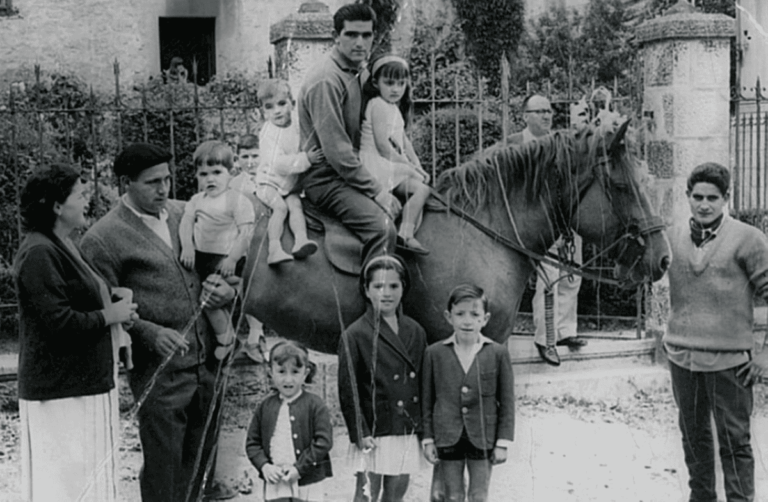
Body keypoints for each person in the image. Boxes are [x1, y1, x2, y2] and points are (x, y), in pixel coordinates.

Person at [80, 143, 239, 502]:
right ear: (125, 183)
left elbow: (226, 267)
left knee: (203, 466)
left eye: (167, 179)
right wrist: (151, 333)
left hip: (207, 362)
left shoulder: (187, 213)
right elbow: (102, 309)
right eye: (152, 182)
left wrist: (227, 292)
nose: (164, 189)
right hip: (159, 373)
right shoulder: (102, 239)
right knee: (165, 469)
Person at [13, 163, 138, 501]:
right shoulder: (39, 251)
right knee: (66, 487)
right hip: (62, 393)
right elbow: (59, 323)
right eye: (80, 195)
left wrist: (112, 298)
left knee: (88, 483)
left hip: (83, 384)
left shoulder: (63, 243)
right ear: (56, 205)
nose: (88, 201)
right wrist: (110, 314)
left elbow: (77, 295)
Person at [664, 162, 768, 502]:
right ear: (687, 197)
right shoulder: (672, 236)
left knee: (735, 442)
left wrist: (765, 355)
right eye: (697, 197)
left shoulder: (749, 239)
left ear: (726, 198)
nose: (704, 204)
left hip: (730, 363)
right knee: (693, 440)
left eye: (712, 197)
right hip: (682, 358)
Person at [298, 3, 399, 265]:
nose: (360, 43)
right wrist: (377, 191)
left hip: (353, 171)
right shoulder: (326, 80)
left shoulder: (357, 71)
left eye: (366, 35)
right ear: (336, 37)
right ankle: (376, 303)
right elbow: (338, 153)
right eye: (351, 35)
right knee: (382, 229)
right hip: (327, 180)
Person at [338, 255, 428, 502]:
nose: (385, 293)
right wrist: (360, 431)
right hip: (375, 429)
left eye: (393, 286)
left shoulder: (416, 331)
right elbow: (349, 390)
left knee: (396, 493)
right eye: (378, 286)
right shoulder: (355, 334)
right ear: (366, 290)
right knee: (366, 493)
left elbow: (424, 384)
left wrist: (424, 429)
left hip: (406, 427)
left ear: (403, 289)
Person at [421, 284, 515, 502]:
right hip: (447, 435)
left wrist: (502, 442)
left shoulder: (498, 353)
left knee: (479, 496)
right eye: (460, 314)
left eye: (475, 314)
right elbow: (427, 401)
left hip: (483, 436)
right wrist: (428, 439)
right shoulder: (434, 354)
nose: (467, 321)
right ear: (448, 317)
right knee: (451, 496)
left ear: (485, 318)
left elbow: (507, 402)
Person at [512, 94, 586, 366]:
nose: (546, 116)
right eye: (539, 111)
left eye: (549, 111)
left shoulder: (561, 143)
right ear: (525, 116)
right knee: (549, 280)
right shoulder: (515, 144)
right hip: (535, 224)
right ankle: (546, 339)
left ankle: (566, 331)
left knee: (571, 276)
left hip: (564, 221)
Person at [179, 140, 256, 359]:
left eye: (217, 172)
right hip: (203, 259)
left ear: (231, 173)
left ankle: (228, 341)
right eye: (203, 174)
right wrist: (187, 246)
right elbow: (186, 223)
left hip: (228, 261)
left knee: (212, 299)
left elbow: (246, 232)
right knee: (207, 301)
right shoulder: (196, 200)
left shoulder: (236, 200)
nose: (210, 179)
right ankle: (227, 338)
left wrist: (232, 258)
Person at [360, 54, 432, 255]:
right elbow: (383, 146)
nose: (395, 89)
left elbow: (403, 140)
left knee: (422, 188)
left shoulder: (393, 107)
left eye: (401, 84)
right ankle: (404, 234)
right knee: (421, 189)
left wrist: (417, 163)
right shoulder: (377, 105)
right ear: (376, 83)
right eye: (389, 83)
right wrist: (410, 167)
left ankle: (406, 233)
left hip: (387, 163)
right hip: (376, 164)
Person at [245, 341, 333, 501]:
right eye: (281, 371)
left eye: (295, 371)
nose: (288, 379)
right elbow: (252, 443)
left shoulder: (315, 405)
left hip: (307, 480)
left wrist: (300, 469)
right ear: (270, 372)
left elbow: (323, 442)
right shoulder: (265, 406)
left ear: (305, 373)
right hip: (276, 479)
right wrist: (264, 466)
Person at [255, 79, 323, 265]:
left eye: (282, 103)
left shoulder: (296, 126)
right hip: (268, 183)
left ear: (292, 104)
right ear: (263, 111)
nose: (276, 111)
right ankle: (274, 249)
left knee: (296, 206)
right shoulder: (268, 133)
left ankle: (301, 240)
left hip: (288, 185)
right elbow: (278, 164)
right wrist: (305, 160)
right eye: (269, 107)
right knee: (280, 208)